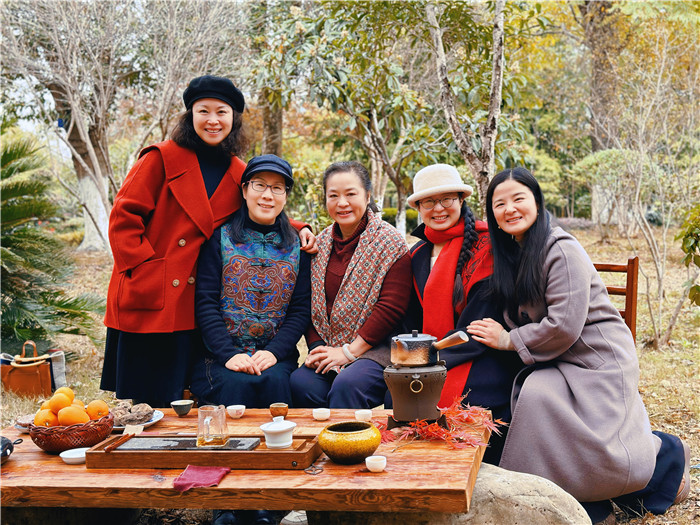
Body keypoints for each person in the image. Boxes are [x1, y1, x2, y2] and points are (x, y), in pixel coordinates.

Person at [467, 167, 691, 524]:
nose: (509, 209)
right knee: (536, 394)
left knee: (539, 397)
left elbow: (564, 325)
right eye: (499, 203)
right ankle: (580, 499)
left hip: (597, 358)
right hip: (559, 357)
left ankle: (663, 456)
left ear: (537, 203)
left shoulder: (561, 248)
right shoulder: (513, 253)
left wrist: (509, 340)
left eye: (518, 198)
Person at [101, 75, 315, 408]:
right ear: (191, 115)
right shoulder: (160, 158)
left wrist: (300, 227)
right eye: (204, 111)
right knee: (146, 404)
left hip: (189, 298)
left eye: (222, 112)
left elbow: (260, 203)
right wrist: (145, 268)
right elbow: (123, 218)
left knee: (180, 400)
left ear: (234, 119)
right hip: (153, 290)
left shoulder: (237, 171)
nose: (213, 120)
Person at [403, 164, 524, 464]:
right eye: (429, 201)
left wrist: (426, 356)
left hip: (485, 350)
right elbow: (411, 317)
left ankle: (476, 473)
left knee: (463, 398)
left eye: (448, 199)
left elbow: (479, 325)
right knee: (399, 392)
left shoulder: (487, 247)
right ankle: (420, 473)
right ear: (418, 207)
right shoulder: (417, 255)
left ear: (461, 199)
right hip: (435, 352)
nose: (439, 208)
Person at [190, 154, 311, 409]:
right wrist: (228, 354)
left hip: (276, 356)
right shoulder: (219, 239)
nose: (268, 195)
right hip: (220, 355)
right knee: (236, 385)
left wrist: (274, 352)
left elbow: (300, 309)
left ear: (285, 195)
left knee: (275, 382)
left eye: (277, 188)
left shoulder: (298, 247)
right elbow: (206, 302)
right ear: (244, 189)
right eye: (259, 185)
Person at [289, 161, 412, 409]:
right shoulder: (319, 244)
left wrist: (348, 353)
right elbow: (308, 303)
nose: (342, 203)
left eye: (350, 194)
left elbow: (391, 308)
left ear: (367, 196)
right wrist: (318, 349)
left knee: (349, 384)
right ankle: (318, 447)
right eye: (333, 195)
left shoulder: (390, 243)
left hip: (378, 349)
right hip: (330, 345)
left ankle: (351, 447)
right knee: (301, 383)